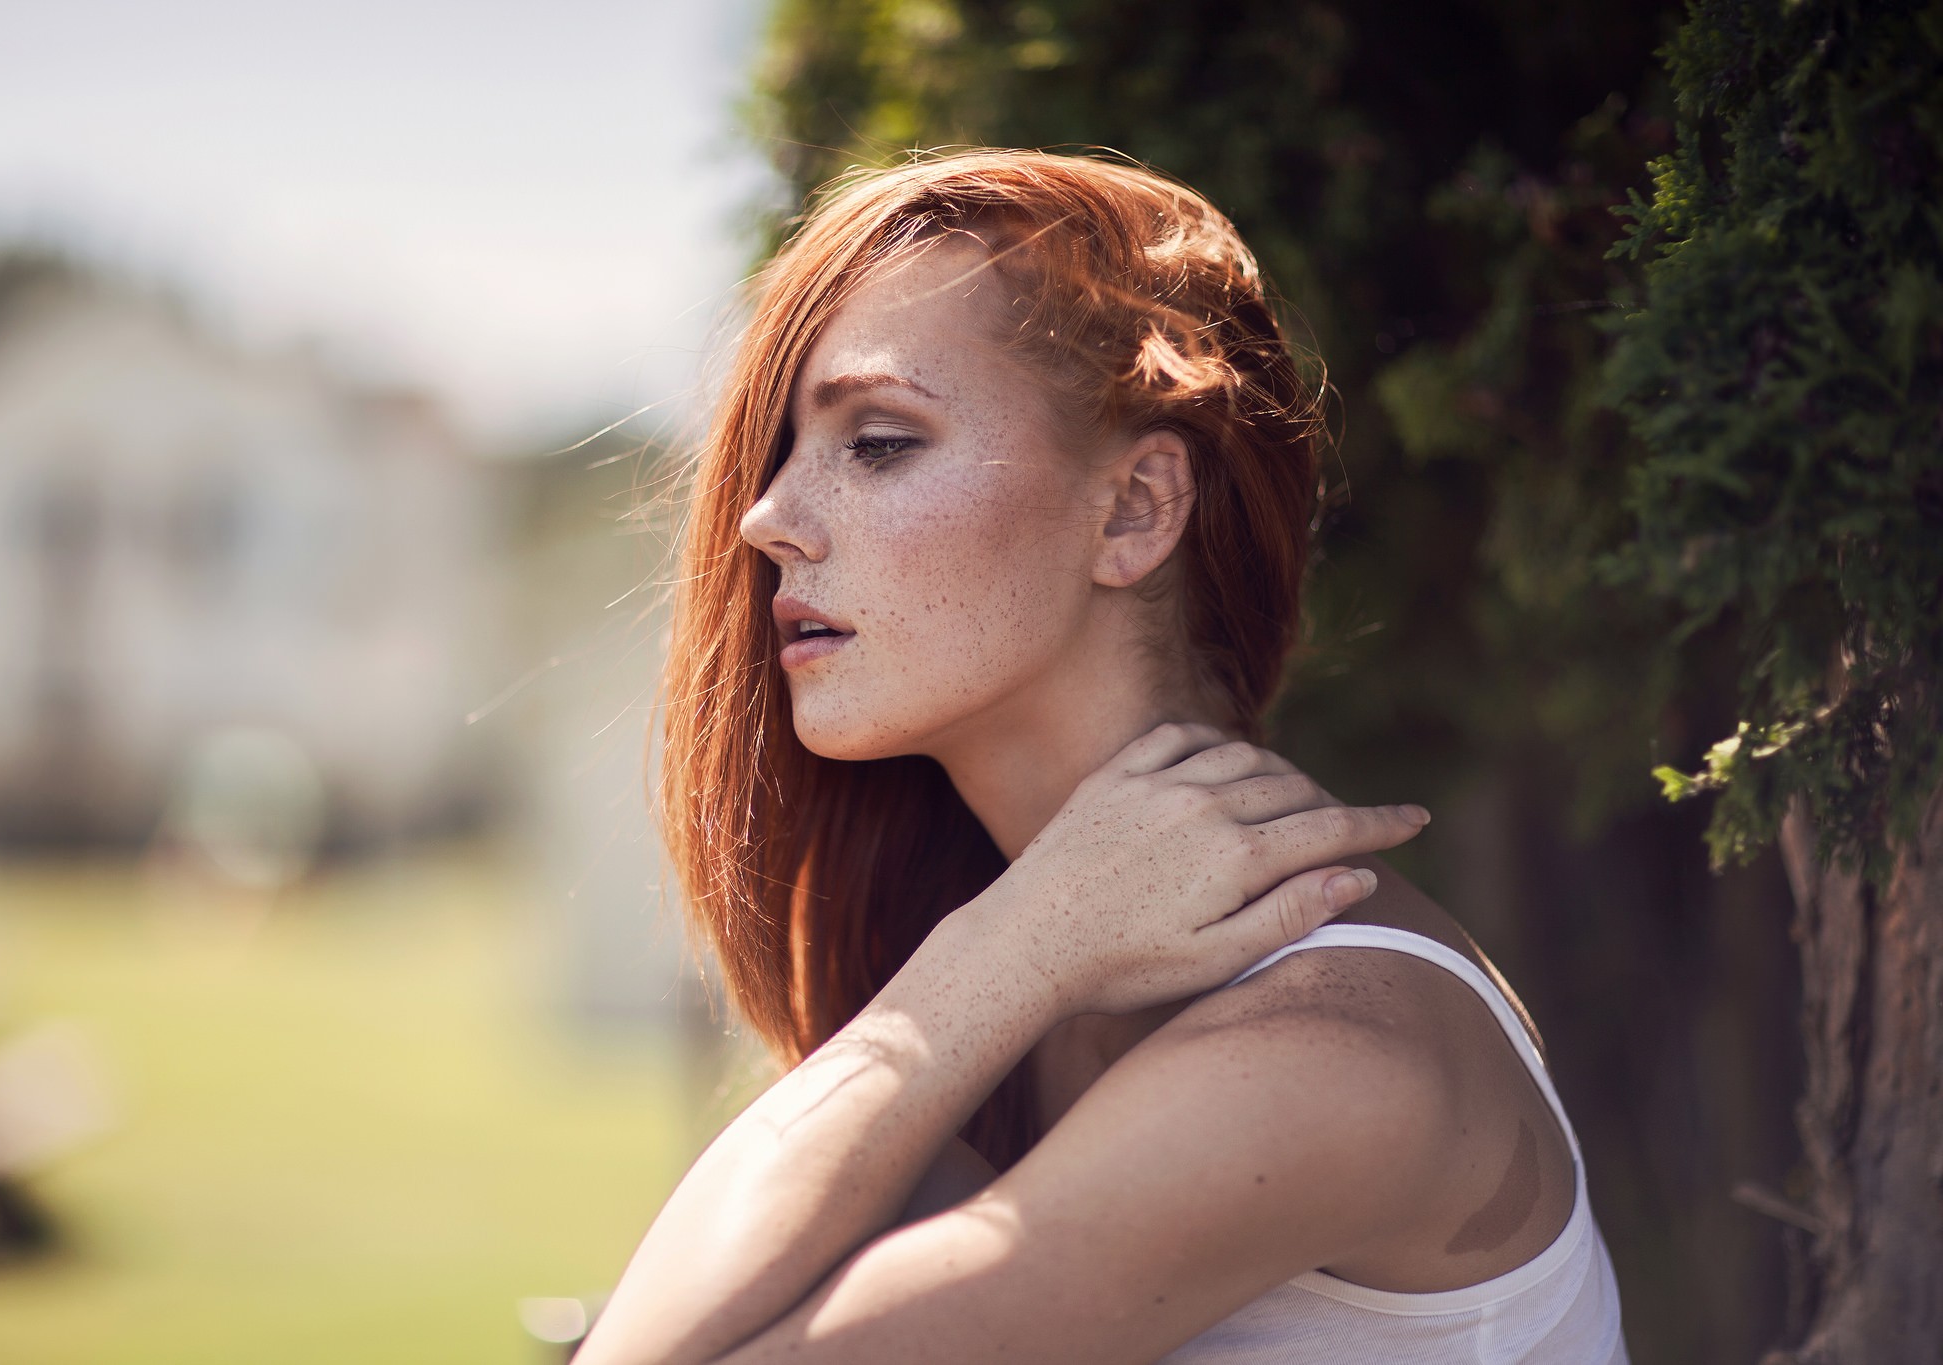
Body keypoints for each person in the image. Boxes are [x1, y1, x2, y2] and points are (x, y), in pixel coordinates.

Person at [579, 150, 1627, 1364]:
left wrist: (993, 955)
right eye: (780, 454)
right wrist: (1017, 947)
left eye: (875, 441)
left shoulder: (1326, 1057)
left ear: (1134, 508)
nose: (766, 518)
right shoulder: (1035, 1005)